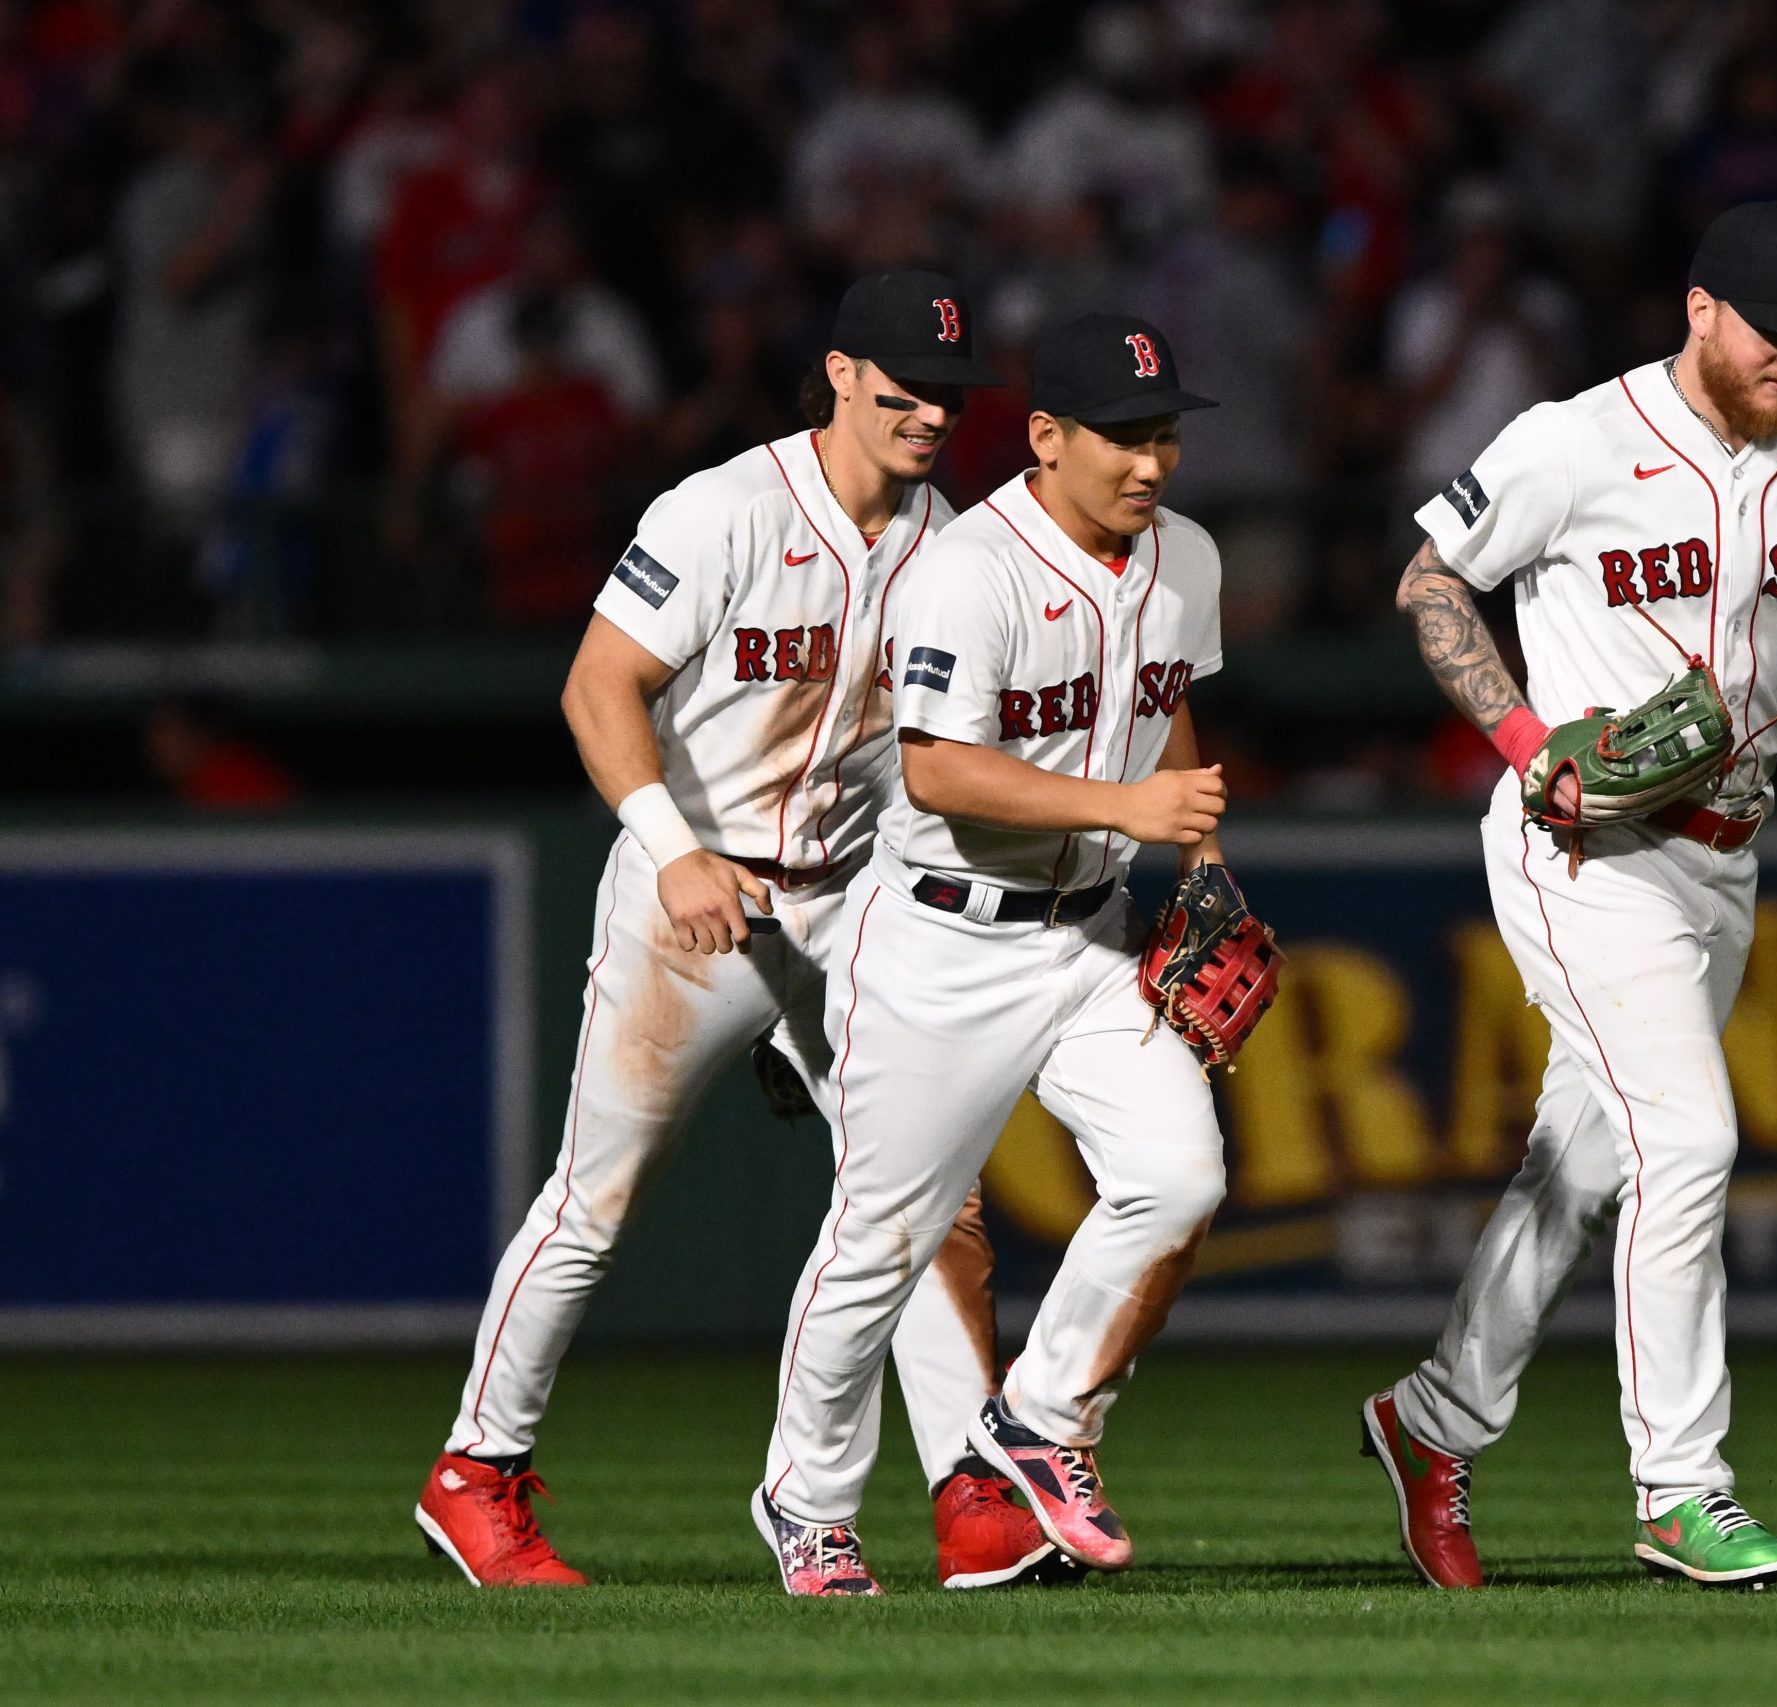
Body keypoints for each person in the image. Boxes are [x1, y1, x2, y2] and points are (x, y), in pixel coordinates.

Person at [416, 272, 1062, 1593]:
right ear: (837, 375)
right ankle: (474, 1470)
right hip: (689, 894)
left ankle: (969, 1495)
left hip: (847, 909)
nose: (931, 414)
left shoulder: (956, 542)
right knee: (595, 1201)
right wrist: (673, 848)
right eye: (903, 389)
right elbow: (598, 687)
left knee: (932, 1200)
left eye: (949, 394)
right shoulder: (723, 510)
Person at [1361, 203, 1777, 1590]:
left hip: (1726, 852)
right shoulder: (1575, 440)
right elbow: (1431, 580)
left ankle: (1431, 1421)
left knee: (1583, 1165)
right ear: (1700, 311)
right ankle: (1682, 1486)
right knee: (1691, 1137)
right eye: (1773, 330)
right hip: (1581, 849)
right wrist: (1523, 743)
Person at [754, 313, 1231, 1596]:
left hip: (1086, 942)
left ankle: (1031, 1423)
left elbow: (1165, 694)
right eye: (1124, 437)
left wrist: (1197, 865)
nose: (1151, 463)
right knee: (879, 1244)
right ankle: (804, 1501)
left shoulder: (1185, 554)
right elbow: (939, 769)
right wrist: (1130, 811)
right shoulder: (969, 569)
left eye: (1166, 434)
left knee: (1177, 1178)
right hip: (937, 944)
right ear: (1045, 437)